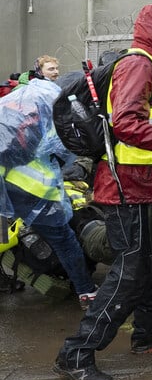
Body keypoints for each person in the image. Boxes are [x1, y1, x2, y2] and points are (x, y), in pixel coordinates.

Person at [54, 4, 152, 380]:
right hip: (129, 189)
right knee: (129, 273)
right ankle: (76, 353)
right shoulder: (139, 64)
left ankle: (149, 332)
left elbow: (142, 123)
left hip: (147, 186)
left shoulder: (149, 65)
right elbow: (126, 124)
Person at [0, 80, 98, 307]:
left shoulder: (12, 114)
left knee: (4, 237)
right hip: (34, 188)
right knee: (65, 240)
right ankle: (86, 292)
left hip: (5, 187)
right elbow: (65, 152)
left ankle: (6, 282)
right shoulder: (50, 117)